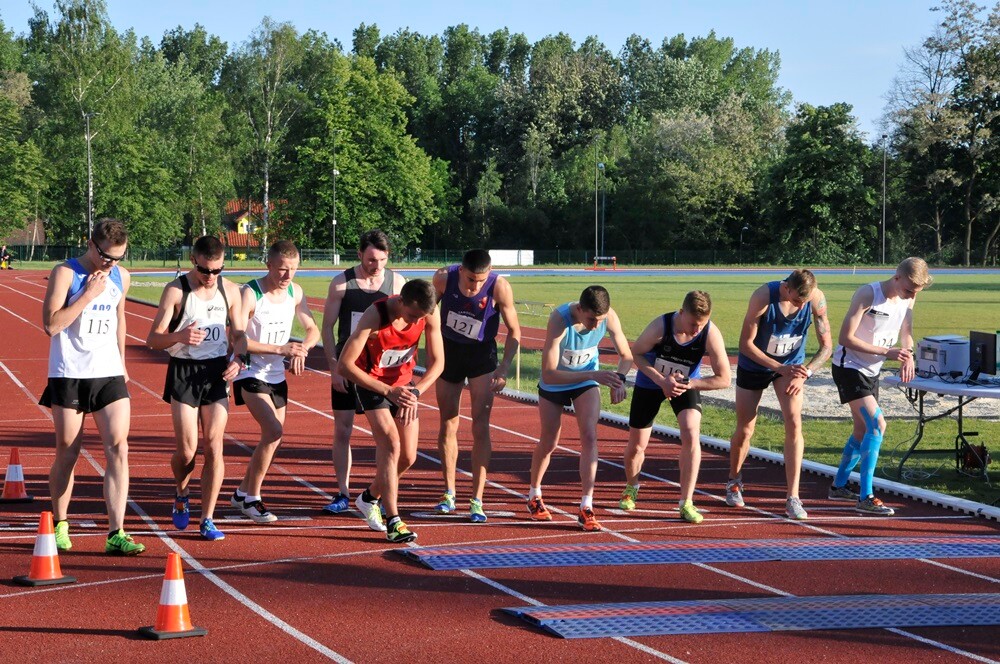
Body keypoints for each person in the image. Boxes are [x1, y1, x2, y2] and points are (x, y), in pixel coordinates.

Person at [39, 218, 145, 555]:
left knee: (119, 448)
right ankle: (60, 523)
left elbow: (119, 318)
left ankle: (116, 532)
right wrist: (87, 295)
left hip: (108, 372)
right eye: (106, 256)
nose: (111, 264)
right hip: (69, 372)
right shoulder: (65, 273)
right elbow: (51, 325)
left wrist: (122, 363)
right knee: (68, 450)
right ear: (90, 244)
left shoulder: (121, 276)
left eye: (118, 258)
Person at [146, 236, 247, 541]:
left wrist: (239, 359)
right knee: (187, 451)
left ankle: (208, 518)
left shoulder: (230, 291)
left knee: (214, 446)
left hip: (216, 372)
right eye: (205, 270)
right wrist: (179, 336)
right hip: (184, 372)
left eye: (217, 270)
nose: (211, 276)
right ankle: (181, 492)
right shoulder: (177, 291)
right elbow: (153, 338)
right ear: (194, 260)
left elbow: (239, 334)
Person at [338, 279, 444, 543]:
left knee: (408, 457)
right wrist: (387, 391)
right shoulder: (376, 315)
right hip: (372, 383)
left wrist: (416, 393)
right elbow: (345, 365)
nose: (415, 322)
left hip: (404, 386)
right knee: (391, 444)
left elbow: (438, 363)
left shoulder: (428, 313)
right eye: (412, 315)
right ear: (401, 301)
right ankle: (394, 521)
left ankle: (369, 497)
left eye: (420, 317)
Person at [726, 269, 832, 520]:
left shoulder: (816, 300)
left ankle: (793, 497)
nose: (801, 306)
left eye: (805, 301)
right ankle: (734, 481)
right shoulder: (763, 296)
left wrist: (806, 372)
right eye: (796, 300)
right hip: (755, 364)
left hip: (791, 366)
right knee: (746, 427)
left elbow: (827, 346)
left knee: (794, 423)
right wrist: (778, 367)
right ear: (786, 288)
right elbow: (745, 345)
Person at [829, 257, 931, 516]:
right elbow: (845, 338)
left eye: (916, 292)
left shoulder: (909, 297)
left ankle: (838, 486)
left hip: (871, 371)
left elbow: (907, 330)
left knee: (862, 430)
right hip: (849, 367)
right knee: (877, 424)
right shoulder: (868, 294)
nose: (912, 296)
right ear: (897, 277)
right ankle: (866, 496)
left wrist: (908, 355)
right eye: (909, 290)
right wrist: (888, 352)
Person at [620, 291, 731, 524]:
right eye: (692, 324)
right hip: (651, 383)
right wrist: (662, 380)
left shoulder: (710, 333)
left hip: (684, 384)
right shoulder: (660, 327)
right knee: (637, 444)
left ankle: (686, 502)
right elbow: (636, 354)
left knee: (691, 432)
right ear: (681, 313)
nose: (696, 330)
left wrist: (690, 383)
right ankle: (631, 487)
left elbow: (724, 379)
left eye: (701, 325)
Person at [528, 285, 632, 532]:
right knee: (549, 441)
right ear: (580, 309)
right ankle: (534, 493)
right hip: (556, 383)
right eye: (591, 319)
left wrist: (619, 379)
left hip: (585, 380)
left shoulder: (608, 317)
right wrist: (594, 374)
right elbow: (549, 373)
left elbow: (626, 356)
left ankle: (586, 505)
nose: (596, 326)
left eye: (600, 320)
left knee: (590, 435)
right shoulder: (559, 320)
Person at [229, 240, 320, 523]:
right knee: (273, 430)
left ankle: (241, 493)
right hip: (249, 371)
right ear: (268, 265)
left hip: (276, 375)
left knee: (274, 440)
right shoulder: (250, 293)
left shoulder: (295, 292)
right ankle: (252, 499)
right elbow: (238, 339)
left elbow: (312, 328)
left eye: (293, 269)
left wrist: (303, 349)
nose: (287, 275)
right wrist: (282, 349)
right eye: (282, 269)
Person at [320, 230, 406, 514]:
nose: (376, 265)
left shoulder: (397, 283)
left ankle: (376, 494)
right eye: (370, 260)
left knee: (387, 437)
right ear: (359, 255)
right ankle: (342, 493)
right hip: (348, 366)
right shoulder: (341, 283)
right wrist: (334, 367)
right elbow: (327, 328)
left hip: (381, 370)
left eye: (381, 260)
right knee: (343, 428)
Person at [433, 249, 521, 523]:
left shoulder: (500, 287)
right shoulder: (443, 279)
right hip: (449, 352)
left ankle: (477, 499)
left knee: (480, 425)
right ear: (461, 270)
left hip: (482, 355)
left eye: (480, 281)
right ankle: (449, 492)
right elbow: (424, 314)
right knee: (448, 421)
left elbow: (515, 331)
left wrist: (504, 367)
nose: (474, 286)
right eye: (470, 279)